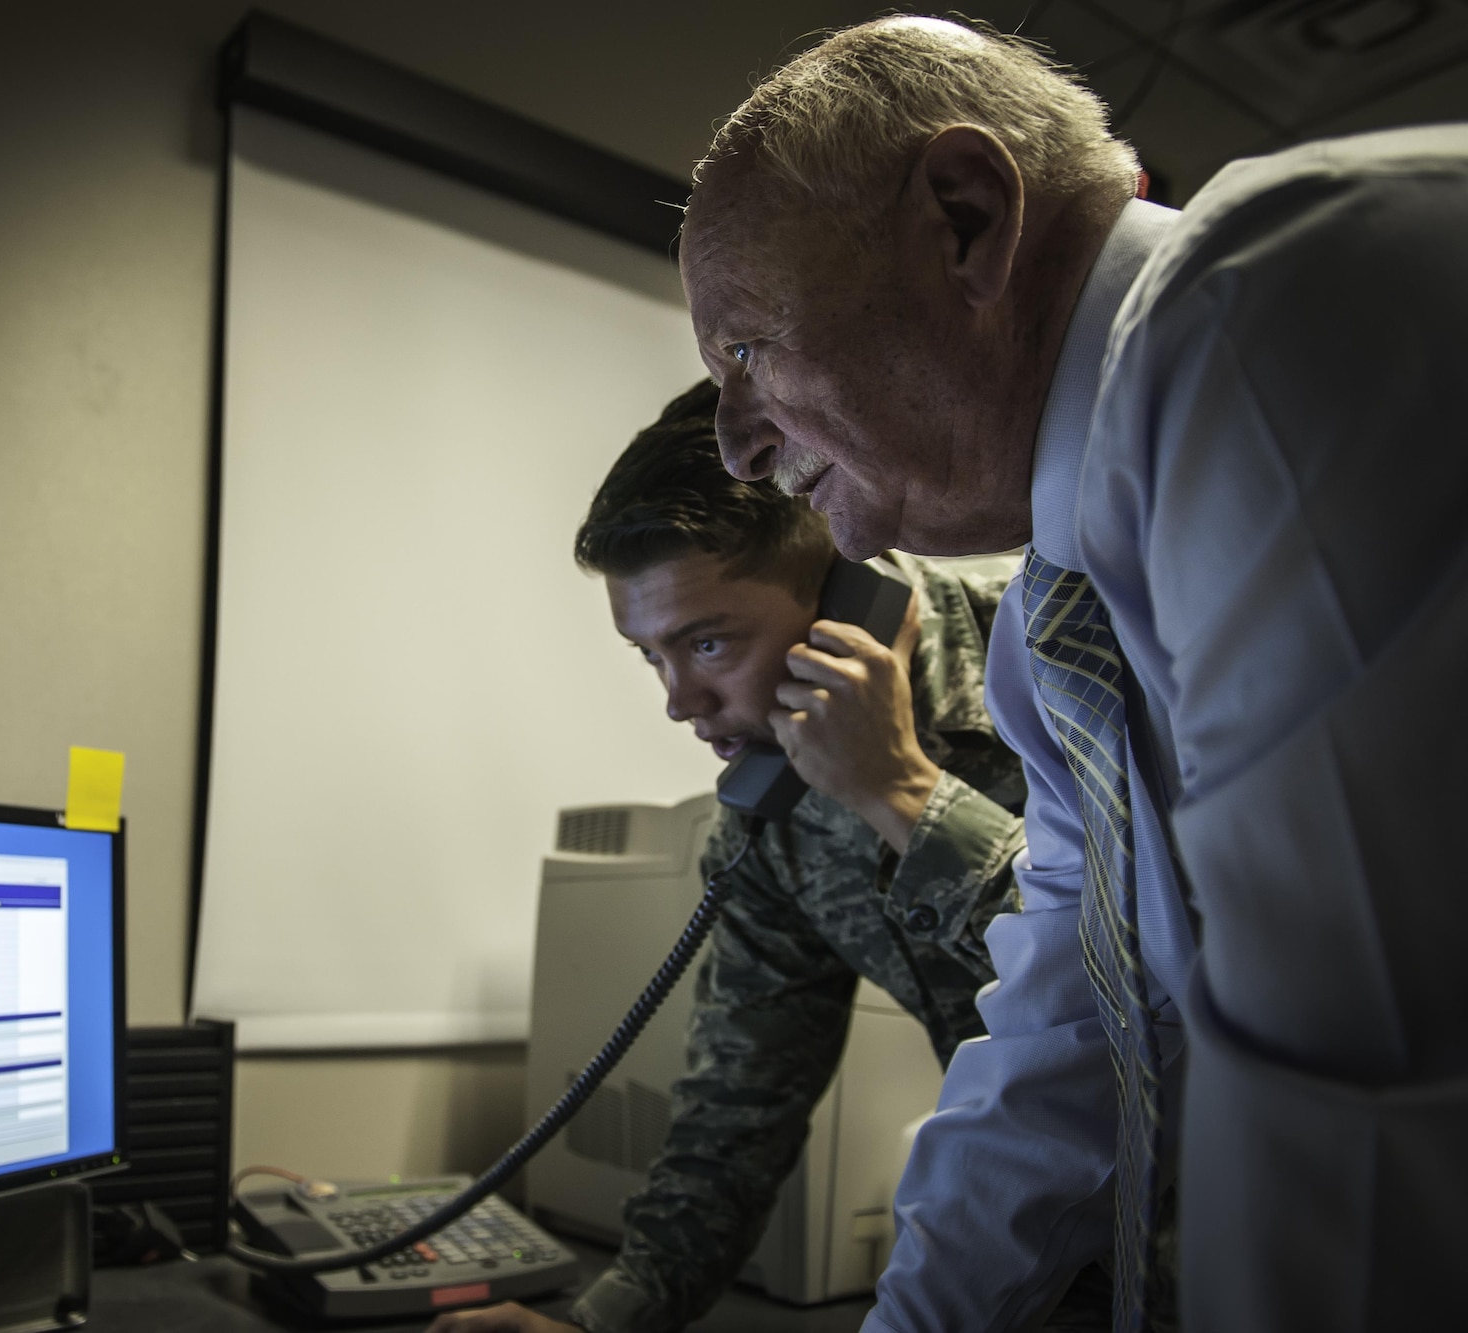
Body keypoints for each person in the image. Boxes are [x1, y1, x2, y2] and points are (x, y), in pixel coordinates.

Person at [677, 15, 1468, 1332]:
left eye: (746, 350)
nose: (737, 445)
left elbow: (1359, 1099)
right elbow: (1068, 1041)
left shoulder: (1265, 295)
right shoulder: (1057, 629)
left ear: (967, 218)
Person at [435, 381, 1084, 1333]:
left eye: (708, 642)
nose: (678, 700)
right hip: (1039, 1261)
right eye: (651, 655)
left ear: (848, 601)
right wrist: (597, 1325)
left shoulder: (1062, 659)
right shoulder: (770, 809)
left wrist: (901, 792)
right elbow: (736, 1110)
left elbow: (1143, 980)